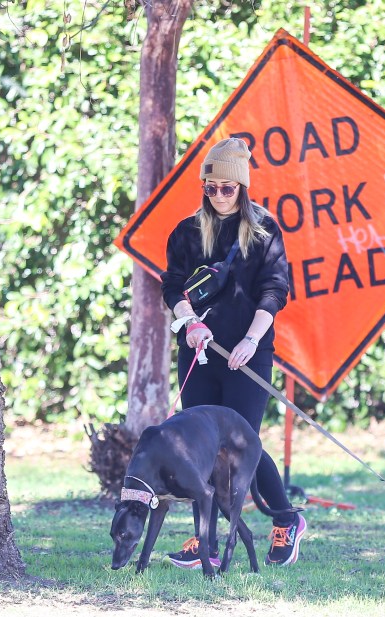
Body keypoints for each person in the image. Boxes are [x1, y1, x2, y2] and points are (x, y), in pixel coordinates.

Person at [159, 136, 306, 568]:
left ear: (242, 188)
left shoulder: (264, 231)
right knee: (200, 448)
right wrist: (190, 322)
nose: (219, 195)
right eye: (211, 187)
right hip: (200, 352)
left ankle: (285, 520)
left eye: (228, 187)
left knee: (243, 445)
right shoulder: (186, 232)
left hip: (248, 352)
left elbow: (275, 290)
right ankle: (203, 537)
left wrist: (251, 339)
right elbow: (173, 285)